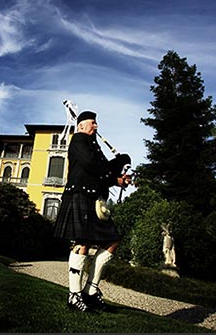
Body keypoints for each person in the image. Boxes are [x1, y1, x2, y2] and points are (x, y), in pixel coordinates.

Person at [53, 110, 131, 312]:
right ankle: (74, 295)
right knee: (82, 242)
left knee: (113, 240)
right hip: (80, 194)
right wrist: (113, 175)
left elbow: (101, 168)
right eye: (93, 123)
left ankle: (90, 290)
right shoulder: (78, 139)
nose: (96, 126)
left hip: (94, 198)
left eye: (96, 123)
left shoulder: (93, 146)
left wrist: (121, 163)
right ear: (81, 125)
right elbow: (90, 165)